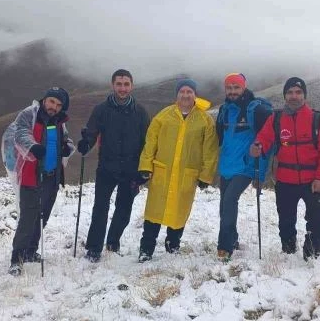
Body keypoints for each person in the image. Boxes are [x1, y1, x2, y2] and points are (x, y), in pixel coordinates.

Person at [250, 77, 320, 261]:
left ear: (304, 95)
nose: (294, 96)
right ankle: (288, 249)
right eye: (290, 92)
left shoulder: (317, 119)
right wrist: (258, 145)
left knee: (316, 218)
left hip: (312, 180)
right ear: (285, 96)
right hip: (285, 178)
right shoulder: (277, 118)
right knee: (286, 218)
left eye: (298, 92)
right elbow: (264, 137)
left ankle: (312, 250)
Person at [137, 78, 218, 262]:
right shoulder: (163, 116)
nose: (185, 95)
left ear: (195, 94)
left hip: (186, 174)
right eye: (182, 91)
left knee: (180, 211)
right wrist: (145, 165)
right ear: (177, 94)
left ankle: (172, 245)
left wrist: (206, 174)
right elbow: (151, 142)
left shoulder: (205, 120)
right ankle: (146, 249)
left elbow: (210, 149)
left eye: (189, 91)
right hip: (162, 172)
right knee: (154, 212)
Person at [78, 69, 151, 262]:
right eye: (119, 84)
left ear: (132, 86)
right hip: (106, 168)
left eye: (126, 84)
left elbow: (148, 143)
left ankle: (113, 243)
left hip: (131, 170)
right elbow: (92, 132)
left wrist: (145, 169)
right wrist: (86, 142)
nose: (122, 88)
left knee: (124, 209)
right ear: (113, 85)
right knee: (100, 208)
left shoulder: (141, 112)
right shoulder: (101, 109)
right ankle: (94, 249)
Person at [1, 87, 75, 276]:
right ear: (45, 100)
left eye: (58, 105)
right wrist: (33, 147)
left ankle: (30, 251)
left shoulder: (59, 120)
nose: (54, 107)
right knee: (28, 218)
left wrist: (67, 147)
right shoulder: (29, 115)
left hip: (52, 176)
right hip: (31, 175)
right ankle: (16, 259)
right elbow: (20, 134)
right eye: (51, 102)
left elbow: (65, 138)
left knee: (43, 216)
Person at [215, 73, 272, 261]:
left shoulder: (256, 110)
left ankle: (224, 247)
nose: (232, 92)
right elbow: (220, 139)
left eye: (236, 88)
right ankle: (233, 239)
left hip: (246, 167)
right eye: (229, 88)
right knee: (224, 206)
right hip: (227, 166)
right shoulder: (224, 110)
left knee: (230, 201)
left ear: (244, 88)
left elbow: (268, 142)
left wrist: (260, 173)